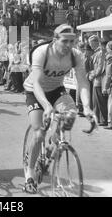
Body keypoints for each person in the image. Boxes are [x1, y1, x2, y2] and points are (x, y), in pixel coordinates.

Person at [22, 24, 95, 193]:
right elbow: (37, 82)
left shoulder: (76, 55)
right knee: (39, 133)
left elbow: (83, 82)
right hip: (35, 90)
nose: (69, 45)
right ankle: (30, 174)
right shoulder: (42, 52)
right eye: (65, 41)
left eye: (72, 41)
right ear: (55, 40)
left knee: (70, 115)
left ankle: (49, 149)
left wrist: (87, 107)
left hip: (56, 89)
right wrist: (47, 106)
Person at [88, 37, 108, 125]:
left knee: (100, 101)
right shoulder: (97, 53)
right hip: (96, 79)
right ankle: (98, 118)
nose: (90, 46)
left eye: (91, 43)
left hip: (99, 80)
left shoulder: (101, 53)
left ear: (97, 42)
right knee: (96, 101)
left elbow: (100, 67)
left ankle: (103, 119)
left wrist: (93, 75)